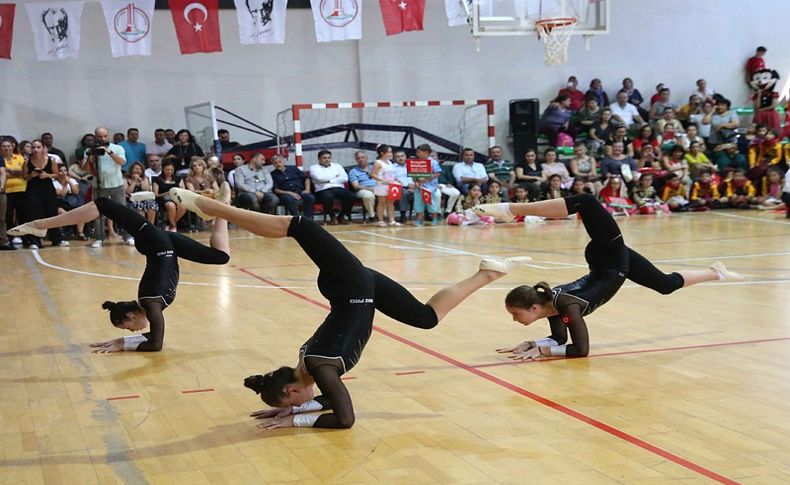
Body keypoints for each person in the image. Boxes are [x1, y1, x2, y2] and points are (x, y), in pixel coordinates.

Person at [166, 186, 528, 429]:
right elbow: (332, 408)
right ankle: (487, 273)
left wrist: (294, 418)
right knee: (425, 318)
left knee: (298, 225)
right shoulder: (308, 364)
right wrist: (297, 409)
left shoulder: (321, 369)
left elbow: (343, 418)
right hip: (356, 289)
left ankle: (213, 207)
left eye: (295, 401)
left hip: (351, 285)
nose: (301, 402)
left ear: (293, 391)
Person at [473, 194, 742, 359]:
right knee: (665, 285)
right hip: (608, 261)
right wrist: (535, 343)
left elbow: (581, 350)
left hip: (611, 259)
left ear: (533, 307)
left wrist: (543, 351)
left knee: (587, 202)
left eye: (517, 314)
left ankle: (512, 209)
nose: (514, 320)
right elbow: (560, 341)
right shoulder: (554, 307)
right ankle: (716, 272)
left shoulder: (565, 306)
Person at [9, 193, 231, 352]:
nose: (131, 331)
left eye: (127, 328)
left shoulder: (153, 306)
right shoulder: (149, 304)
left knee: (103, 203)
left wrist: (122, 345)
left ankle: (42, 224)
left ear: (131, 316)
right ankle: (223, 208)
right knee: (221, 257)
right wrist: (120, 342)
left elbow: (155, 345)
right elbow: (153, 339)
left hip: (155, 242)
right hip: (163, 244)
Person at [87, 126, 127, 248]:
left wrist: (109, 152)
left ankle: (128, 236)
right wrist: (90, 156)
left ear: (108, 136)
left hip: (116, 184)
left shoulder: (118, 148)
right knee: (98, 212)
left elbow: (122, 162)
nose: (102, 138)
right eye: (99, 136)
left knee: (123, 211)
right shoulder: (90, 150)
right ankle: (99, 238)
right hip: (99, 185)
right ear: (95, 137)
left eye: (104, 136)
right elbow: (87, 169)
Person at [23, 140, 67, 248]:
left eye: (38, 147)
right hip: (33, 190)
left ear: (43, 148)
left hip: (48, 190)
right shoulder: (27, 161)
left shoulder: (51, 160)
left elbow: (57, 175)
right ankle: (35, 241)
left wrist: (47, 175)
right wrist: (31, 175)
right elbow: (24, 177)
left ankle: (57, 239)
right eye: (33, 147)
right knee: (34, 215)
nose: (35, 150)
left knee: (51, 213)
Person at [308, 150, 354, 225]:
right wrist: (336, 176)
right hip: (323, 189)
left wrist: (329, 180)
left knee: (351, 196)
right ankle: (332, 217)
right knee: (327, 197)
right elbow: (320, 178)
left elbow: (345, 178)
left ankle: (341, 216)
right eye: (324, 158)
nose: (327, 160)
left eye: (329, 158)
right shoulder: (313, 168)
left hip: (338, 188)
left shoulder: (337, 166)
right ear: (319, 159)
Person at [1, 138, 25, 249]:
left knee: (22, 215)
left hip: (21, 190)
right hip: (7, 191)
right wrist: (16, 172)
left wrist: (11, 172)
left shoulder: (19, 158)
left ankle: (24, 237)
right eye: (4, 146)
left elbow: (24, 172)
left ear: (13, 146)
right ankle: (9, 238)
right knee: (8, 216)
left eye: (8, 146)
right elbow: (3, 173)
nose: (7, 148)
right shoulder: (1, 159)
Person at [412, 144, 443, 226]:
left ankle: (435, 218)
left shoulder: (433, 162)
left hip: (430, 186)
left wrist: (426, 178)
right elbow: (414, 175)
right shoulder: (416, 162)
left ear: (426, 152)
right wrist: (416, 182)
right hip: (419, 186)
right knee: (418, 202)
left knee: (430, 202)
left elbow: (437, 173)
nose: (417, 154)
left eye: (419, 152)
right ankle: (419, 218)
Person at [152, 160, 186, 232]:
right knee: (170, 205)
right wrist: (168, 193)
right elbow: (156, 194)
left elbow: (183, 190)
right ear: (163, 169)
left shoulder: (178, 179)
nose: (169, 172)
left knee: (183, 206)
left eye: (171, 170)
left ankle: (169, 224)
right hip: (163, 199)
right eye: (167, 170)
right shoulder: (157, 179)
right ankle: (173, 226)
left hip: (177, 198)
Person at [369, 145, 398, 226]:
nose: (391, 153)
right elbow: (373, 174)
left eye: (391, 152)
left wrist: (396, 180)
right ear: (382, 153)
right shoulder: (378, 163)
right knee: (382, 203)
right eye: (389, 152)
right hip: (381, 185)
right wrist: (383, 180)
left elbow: (391, 174)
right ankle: (380, 220)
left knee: (391, 203)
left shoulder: (389, 162)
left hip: (391, 185)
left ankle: (392, 220)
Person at [347, 151, 377, 223]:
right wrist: (370, 189)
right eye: (358, 158)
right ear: (356, 160)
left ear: (367, 158)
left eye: (363, 157)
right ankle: (372, 216)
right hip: (362, 190)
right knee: (368, 196)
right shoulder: (353, 171)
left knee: (386, 193)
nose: (361, 159)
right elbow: (356, 186)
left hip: (377, 187)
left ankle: (384, 216)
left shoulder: (375, 168)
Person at [125, 162, 158, 226]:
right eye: (136, 169)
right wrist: (134, 181)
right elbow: (128, 192)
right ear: (131, 170)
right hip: (131, 200)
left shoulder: (145, 178)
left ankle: (151, 227)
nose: (138, 171)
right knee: (139, 205)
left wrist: (141, 181)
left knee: (151, 204)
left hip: (144, 198)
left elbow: (146, 189)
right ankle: (142, 227)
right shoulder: (126, 179)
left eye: (140, 169)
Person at [391, 149, 415, 223]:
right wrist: (405, 186)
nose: (400, 158)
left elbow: (416, 177)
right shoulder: (392, 167)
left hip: (413, 186)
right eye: (398, 157)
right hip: (399, 187)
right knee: (404, 193)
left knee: (423, 191)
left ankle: (426, 214)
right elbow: (391, 179)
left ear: (406, 157)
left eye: (402, 156)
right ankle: (403, 214)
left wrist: (415, 185)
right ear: (394, 158)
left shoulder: (411, 165)